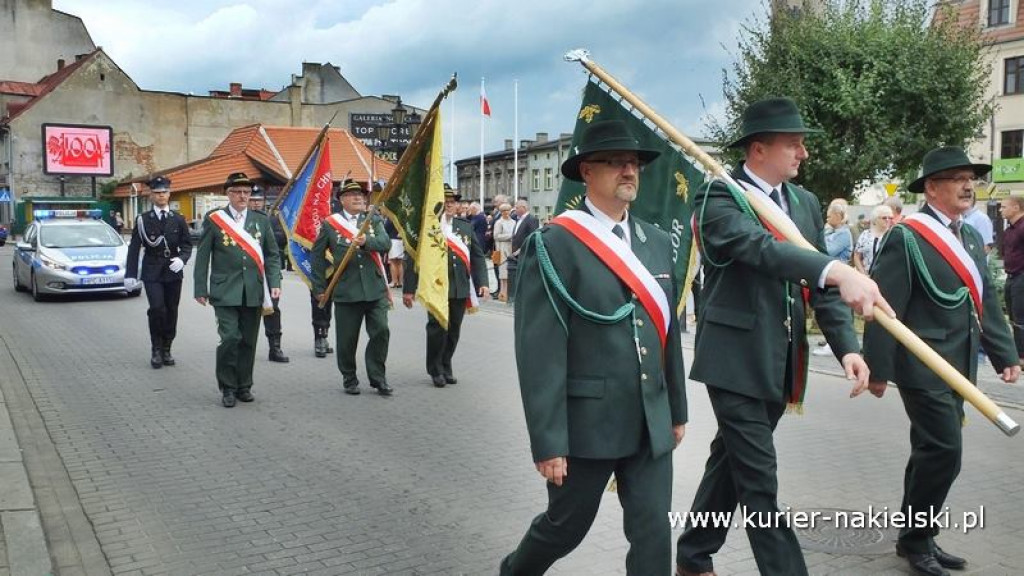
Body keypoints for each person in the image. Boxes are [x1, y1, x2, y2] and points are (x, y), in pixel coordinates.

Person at [676, 97, 889, 576]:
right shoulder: (719, 197)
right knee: (759, 481)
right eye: (793, 144)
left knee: (730, 461)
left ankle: (693, 553)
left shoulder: (805, 202)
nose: (803, 153)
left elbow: (821, 289)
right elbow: (761, 251)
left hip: (782, 359)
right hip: (734, 360)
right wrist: (837, 270)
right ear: (757, 149)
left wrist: (848, 349)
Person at [500, 120, 687, 574]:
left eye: (635, 163)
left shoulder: (657, 242)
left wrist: (676, 410)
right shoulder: (554, 244)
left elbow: (667, 333)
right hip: (587, 424)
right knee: (566, 527)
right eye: (616, 162)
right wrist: (548, 441)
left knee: (653, 532)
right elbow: (539, 351)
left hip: (649, 419)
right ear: (587, 171)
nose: (630, 171)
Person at [863, 146, 1020, 576]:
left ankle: (916, 535)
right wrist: (878, 368)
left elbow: (983, 298)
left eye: (970, 177)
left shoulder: (969, 235)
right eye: (956, 178)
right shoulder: (907, 235)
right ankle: (917, 542)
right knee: (945, 450)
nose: (968, 185)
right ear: (932, 187)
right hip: (924, 363)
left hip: (962, 362)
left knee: (929, 451)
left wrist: (1005, 353)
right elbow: (884, 304)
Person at [193, 172, 282, 408]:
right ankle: (227, 387)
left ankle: (244, 385)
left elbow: (273, 255)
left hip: (253, 290)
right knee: (230, 338)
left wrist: (275, 283)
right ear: (228, 194)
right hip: (224, 291)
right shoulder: (215, 220)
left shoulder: (260, 220)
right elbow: (203, 256)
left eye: (246, 192)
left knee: (248, 341)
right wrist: (200, 287)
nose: (243, 196)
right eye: (237, 192)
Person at [311, 181, 394, 396]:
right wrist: (319, 287)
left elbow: (385, 243)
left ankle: (378, 377)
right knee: (347, 339)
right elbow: (318, 257)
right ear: (342, 199)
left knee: (381, 332)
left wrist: (367, 241)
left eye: (361, 194)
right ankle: (349, 377)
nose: (359, 198)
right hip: (347, 290)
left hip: (374, 289)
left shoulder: (373, 220)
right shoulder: (330, 224)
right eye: (353, 194)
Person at [402, 187, 489, 387]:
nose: (450, 204)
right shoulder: (428, 228)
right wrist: (408, 289)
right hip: (435, 287)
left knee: (454, 329)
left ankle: (446, 362)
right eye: (445, 200)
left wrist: (482, 282)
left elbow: (477, 256)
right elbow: (413, 259)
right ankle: (435, 369)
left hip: (459, 286)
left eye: (453, 201)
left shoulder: (464, 227)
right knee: (436, 328)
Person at [125, 176, 192, 369]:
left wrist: (182, 259)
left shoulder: (178, 219)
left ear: (169, 194)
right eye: (157, 193)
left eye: (164, 192)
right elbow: (134, 248)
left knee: (171, 310)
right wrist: (130, 274)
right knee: (157, 309)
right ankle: (156, 348)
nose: (161, 196)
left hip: (173, 269)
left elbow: (187, 245)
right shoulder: (143, 220)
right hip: (152, 270)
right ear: (151, 196)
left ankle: (167, 347)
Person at [249, 187, 289, 363]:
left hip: (268, 274)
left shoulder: (272, 220)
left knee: (272, 310)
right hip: (249, 274)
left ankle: (275, 347)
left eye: (259, 199)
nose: (256, 202)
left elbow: (282, 240)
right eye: (253, 199)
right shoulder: (238, 223)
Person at [311, 188, 343, 358]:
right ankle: (320, 338)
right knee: (320, 302)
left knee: (334, 306)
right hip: (319, 265)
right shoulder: (312, 207)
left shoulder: (339, 209)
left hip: (339, 267)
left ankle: (326, 335)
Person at [999, 195, 1024, 365]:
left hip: (1022, 276)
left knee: (1021, 317)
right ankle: (1018, 353)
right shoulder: (1009, 230)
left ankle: (1022, 356)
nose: (1001, 210)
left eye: (1004, 207)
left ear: (1016, 208)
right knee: (1013, 317)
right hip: (1011, 276)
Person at [506, 199, 539, 303]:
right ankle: (516, 296)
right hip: (515, 255)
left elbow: (532, 237)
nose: (514, 210)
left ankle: (525, 298)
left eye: (517, 207)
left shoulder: (531, 219)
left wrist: (521, 250)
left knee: (524, 277)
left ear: (523, 208)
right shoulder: (518, 220)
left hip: (525, 254)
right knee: (517, 276)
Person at [853, 204, 895, 275]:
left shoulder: (893, 235)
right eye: (884, 218)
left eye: (890, 218)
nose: (887, 220)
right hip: (865, 277)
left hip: (886, 277)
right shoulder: (865, 234)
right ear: (875, 219)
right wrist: (863, 274)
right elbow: (857, 256)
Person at [492, 203, 515, 301]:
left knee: (510, 272)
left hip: (511, 249)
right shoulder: (499, 222)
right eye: (504, 211)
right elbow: (496, 236)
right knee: (503, 272)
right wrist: (510, 236)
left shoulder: (514, 222)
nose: (506, 213)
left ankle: (509, 292)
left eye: (507, 210)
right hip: (501, 249)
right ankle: (502, 293)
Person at [963, 189, 995, 254]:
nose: (965, 199)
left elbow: (987, 248)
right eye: (961, 197)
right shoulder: (959, 217)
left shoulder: (982, 218)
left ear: (973, 199)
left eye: (968, 197)